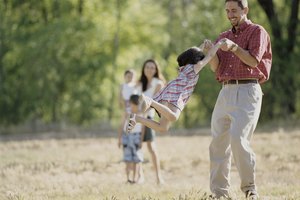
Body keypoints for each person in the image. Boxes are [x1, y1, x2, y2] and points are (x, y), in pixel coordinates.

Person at [202, 0, 272, 199]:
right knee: (218, 143)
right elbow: (217, 68)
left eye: (234, 10)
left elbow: (253, 60)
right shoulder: (223, 36)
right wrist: (210, 52)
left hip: (248, 90)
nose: (230, 14)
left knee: (238, 139)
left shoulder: (257, 32)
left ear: (245, 10)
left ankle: (250, 189)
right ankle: (219, 193)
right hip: (225, 92)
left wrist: (233, 48)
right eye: (227, 11)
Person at [126, 41, 224, 133]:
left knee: (162, 128)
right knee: (173, 117)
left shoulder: (185, 67)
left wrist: (202, 45)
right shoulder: (195, 67)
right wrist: (218, 44)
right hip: (176, 92)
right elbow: (210, 55)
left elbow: (195, 53)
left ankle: (136, 118)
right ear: (197, 59)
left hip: (170, 90)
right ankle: (150, 101)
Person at [136, 59, 165, 184]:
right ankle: (139, 175)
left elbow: (152, 103)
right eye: (147, 67)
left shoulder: (158, 83)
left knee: (151, 147)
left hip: (148, 118)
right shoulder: (138, 84)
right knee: (137, 147)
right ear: (143, 68)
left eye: (152, 67)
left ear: (156, 70)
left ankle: (159, 177)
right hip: (136, 118)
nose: (149, 69)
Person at [118, 94, 143, 184]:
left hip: (137, 136)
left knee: (136, 159)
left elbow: (143, 128)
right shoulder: (126, 112)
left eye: (137, 104)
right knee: (127, 158)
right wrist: (119, 138)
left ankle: (134, 179)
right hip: (127, 136)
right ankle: (128, 178)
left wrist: (141, 140)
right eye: (133, 104)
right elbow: (121, 125)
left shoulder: (141, 113)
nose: (135, 106)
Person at [118, 69, 137, 147]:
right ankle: (120, 139)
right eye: (128, 76)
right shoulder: (122, 85)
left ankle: (132, 140)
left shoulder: (136, 85)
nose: (130, 77)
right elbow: (119, 98)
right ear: (125, 76)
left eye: (132, 76)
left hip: (134, 107)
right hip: (126, 107)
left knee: (132, 124)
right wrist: (124, 105)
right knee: (123, 123)